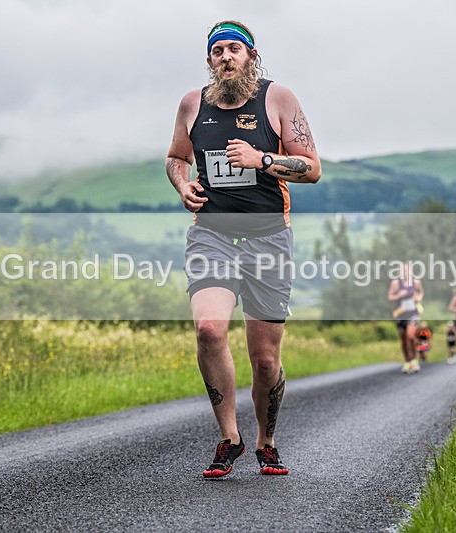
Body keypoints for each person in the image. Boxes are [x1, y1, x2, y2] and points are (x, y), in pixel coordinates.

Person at [166, 20, 321, 478]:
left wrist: (263, 160)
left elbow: (312, 169)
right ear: (210, 61)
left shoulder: (278, 99)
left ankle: (266, 441)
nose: (226, 56)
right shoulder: (192, 104)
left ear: (251, 56)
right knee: (210, 331)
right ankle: (228, 437)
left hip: (269, 237)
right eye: (218, 51)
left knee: (265, 359)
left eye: (235, 48)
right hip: (212, 233)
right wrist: (183, 186)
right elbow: (176, 157)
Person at [388, 262, 424, 373]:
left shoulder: (416, 281)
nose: (405, 272)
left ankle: (414, 360)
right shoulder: (395, 283)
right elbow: (390, 296)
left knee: (411, 336)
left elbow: (421, 292)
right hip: (400, 313)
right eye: (403, 270)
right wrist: (399, 295)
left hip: (413, 312)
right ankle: (407, 362)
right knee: (403, 340)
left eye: (407, 270)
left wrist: (418, 298)